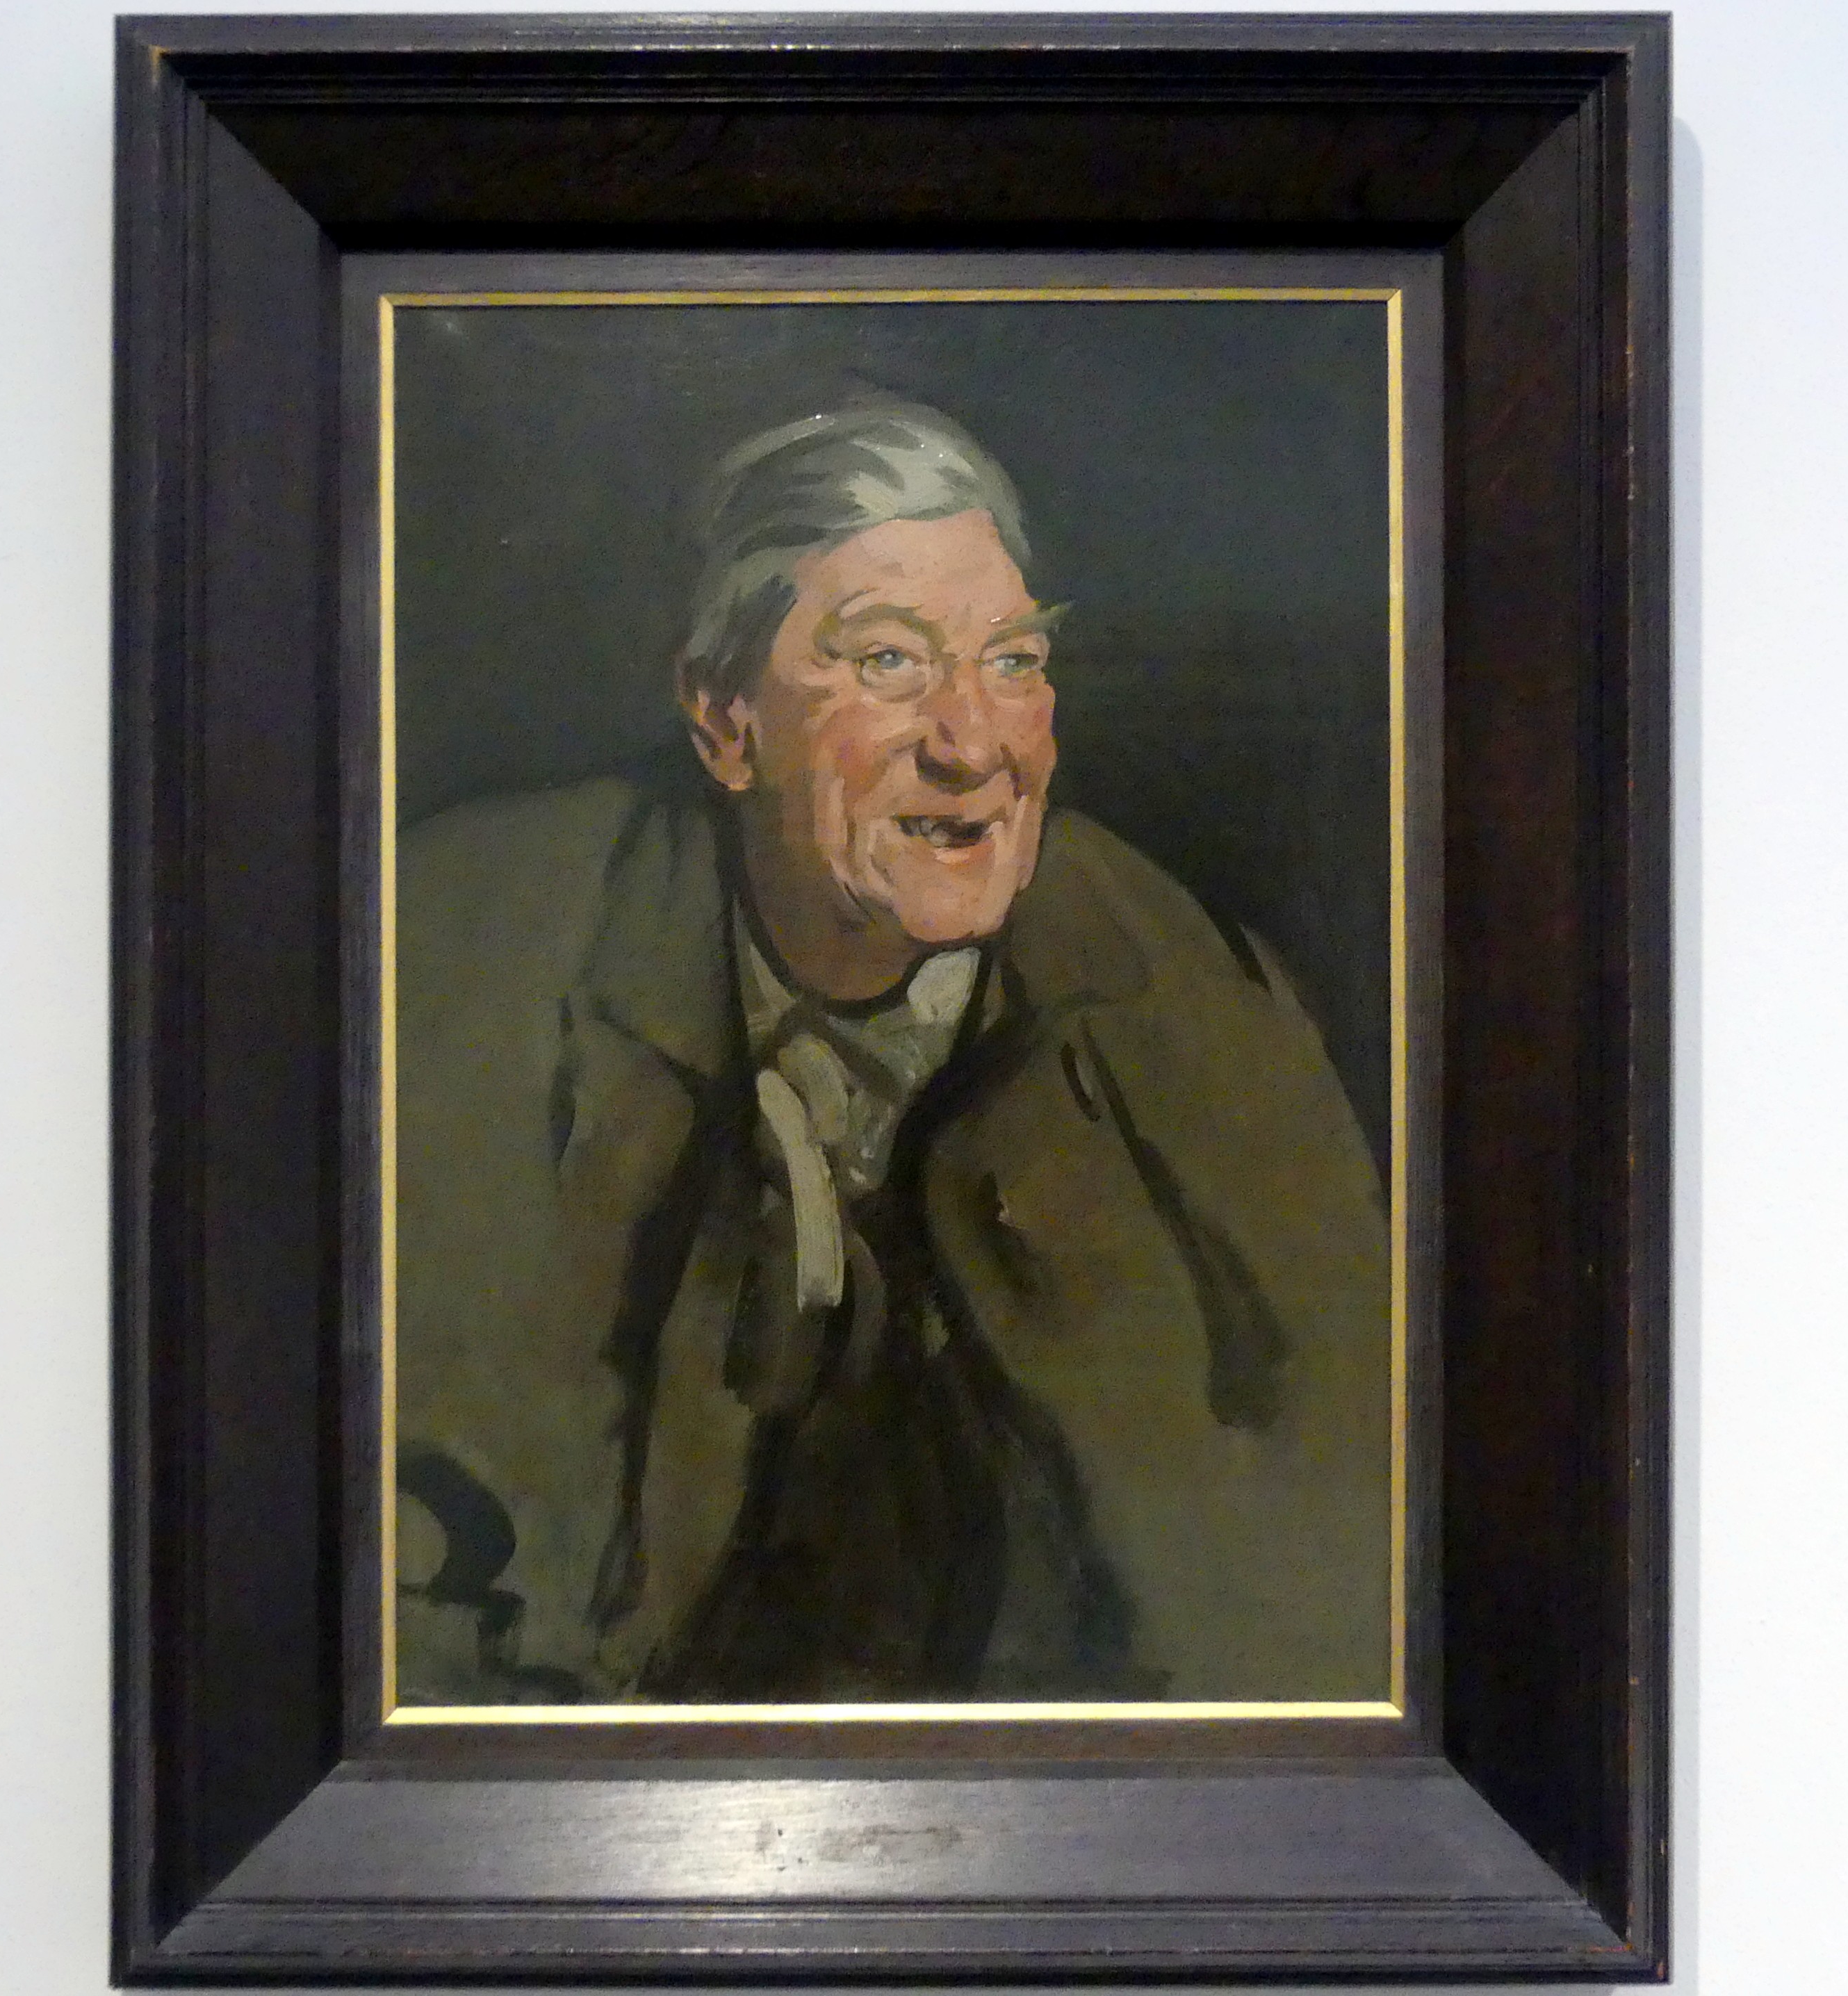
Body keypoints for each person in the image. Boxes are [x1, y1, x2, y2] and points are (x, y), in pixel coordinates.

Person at [393, 401, 1391, 1705]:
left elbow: (1324, 1573)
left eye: (1015, 662)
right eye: (888, 662)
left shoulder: (1189, 1001)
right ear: (725, 721)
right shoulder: (469, 949)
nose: (974, 745)